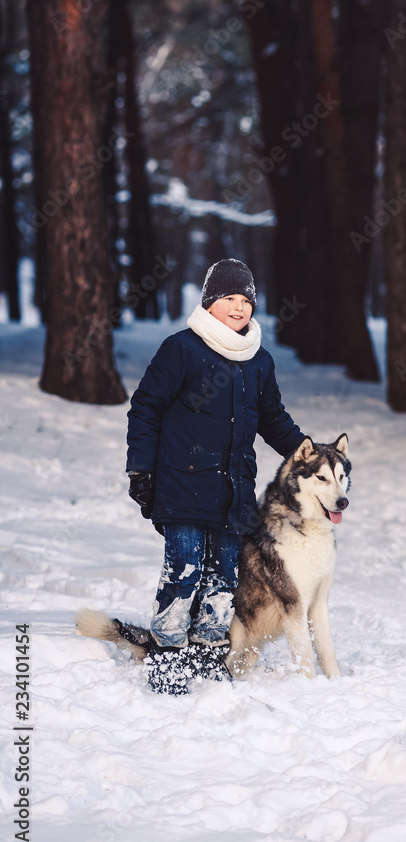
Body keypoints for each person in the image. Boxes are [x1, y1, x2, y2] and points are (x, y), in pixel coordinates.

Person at [126, 258, 305, 687]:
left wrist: (302, 449)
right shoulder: (181, 349)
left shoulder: (258, 361)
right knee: (184, 571)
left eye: (246, 300)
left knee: (225, 578)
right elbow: (145, 409)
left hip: (233, 490)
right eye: (229, 298)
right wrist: (141, 471)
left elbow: (272, 416)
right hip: (182, 484)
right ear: (209, 303)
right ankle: (168, 655)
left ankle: (208, 655)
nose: (239, 307)